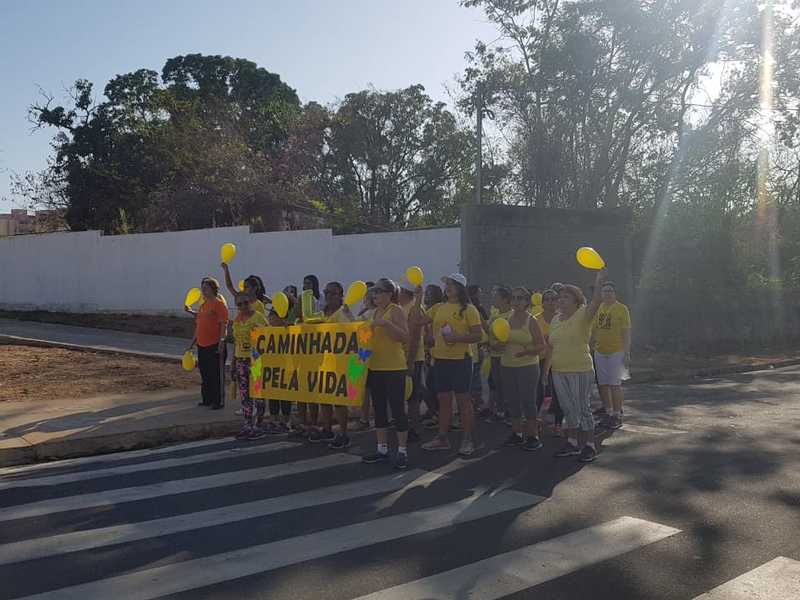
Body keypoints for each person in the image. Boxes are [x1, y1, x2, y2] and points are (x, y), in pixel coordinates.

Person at [419, 274, 483, 456]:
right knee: (444, 400)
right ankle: (442, 438)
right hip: (440, 360)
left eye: (452, 284)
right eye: (446, 284)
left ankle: (468, 439)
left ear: (460, 288)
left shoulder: (469, 309)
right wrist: (418, 298)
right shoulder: (438, 307)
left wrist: (457, 338)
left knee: (463, 401)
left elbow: (478, 335)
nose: (447, 287)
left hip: (461, 360)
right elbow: (417, 321)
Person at [548, 271, 606, 463]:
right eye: (560, 297)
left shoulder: (583, 315)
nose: (561, 300)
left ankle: (589, 445)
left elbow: (596, 302)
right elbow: (551, 345)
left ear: (576, 301)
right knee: (567, 408)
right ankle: (572, 442)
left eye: (566, 297)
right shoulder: (555, 319)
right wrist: (545, 371)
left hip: (580, 369)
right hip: (558, 370)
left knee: (582, 408)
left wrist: (598, 282)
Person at [361, 278, 411, 468]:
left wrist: (387, 324)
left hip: (394, 367)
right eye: (374, 292)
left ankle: (402, 451)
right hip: (376, 367)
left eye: (379, 292)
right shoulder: (375, 313)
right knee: (379, 408)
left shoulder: (395, 310)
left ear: (390, 294)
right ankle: (382, 448)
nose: (375, 295)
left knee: (397, 409)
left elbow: (405, 336)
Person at [495, 287, 546, 450]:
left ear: (526, 302)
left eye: (520, 298)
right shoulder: (504, 319)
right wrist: (497, 345)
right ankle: (516, 433)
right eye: (514, 298)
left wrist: (526, 351)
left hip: (527, 366)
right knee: (512, 400)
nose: (516, 301)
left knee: (528, 400)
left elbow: (541, 346)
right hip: (507, 365)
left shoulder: (531, 320)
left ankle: (533, 435)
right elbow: (496, 343)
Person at [309, 281, 355, 448]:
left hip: (340, 362)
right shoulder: (322, 313)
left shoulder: (344, 313)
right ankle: (327, 429)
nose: (328, 296)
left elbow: (351, 334)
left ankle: (343, 433)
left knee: (338, 400)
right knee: (324, 398)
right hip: (323, 361)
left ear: (340, 295)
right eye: (326, 293)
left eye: (333, 293)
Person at [592, 281, 631, 430]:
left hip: (616, 351)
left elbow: (626, 332)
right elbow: (594, 328)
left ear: (615, 293)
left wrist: (626, 353)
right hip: (600, 351)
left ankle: (617, 414)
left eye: (610, 291)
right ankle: (607, 411)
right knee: (602, 384)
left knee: (615, 384)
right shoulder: (599, 308)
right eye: (604, 291)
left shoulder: (622, 309)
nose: (607, 294)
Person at [186, 277, 229, 410]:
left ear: (213, 289)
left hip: (215, 344)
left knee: (215, 374)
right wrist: (192, 342)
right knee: (205, 374)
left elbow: (224, 323)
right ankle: (207, 399)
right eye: (202, 288)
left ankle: (218, 401)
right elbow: (199, 325)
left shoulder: (218, 304)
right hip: (202, 345)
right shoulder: (203, 306)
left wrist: (222, 341)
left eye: (206, 288)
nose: (203, 291)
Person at [231, 293, 269, 439]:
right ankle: (247, 424)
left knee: (258, 394)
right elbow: (236, 342)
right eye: (239, 304)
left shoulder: (259, 317)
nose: (243, 307)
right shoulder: (237, 320)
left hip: (256, 360)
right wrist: (233, 362)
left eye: (245, 303)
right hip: (241, 360)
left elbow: (269, 336)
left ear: (250, 302)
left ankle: (259, 425)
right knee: (245, 395)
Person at [537, 289, 564, 435]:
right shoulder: (535, 319)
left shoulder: (563, 319)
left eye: (553, 299)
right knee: (540, 393)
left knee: (558, 393)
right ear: (542, 303)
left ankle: (558, 424)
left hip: (558, 360)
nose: (550, 302)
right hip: (540, 360)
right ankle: (538, 421)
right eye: (547, 299)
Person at [485, 286, 513, 424]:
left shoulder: (511, 316)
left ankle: (510, 412)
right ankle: (500, 410)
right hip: (494, 355)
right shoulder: (494, 315)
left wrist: (499, 344)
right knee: (497, 384)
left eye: (496, 296)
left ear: (505, 299)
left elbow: (510, 337)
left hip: (507, 356)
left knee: (508, 385)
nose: (493, 299)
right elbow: (487, 331)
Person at [420, 284, 444, 429]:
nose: (427, 295)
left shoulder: (438, 309)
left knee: (432, 386)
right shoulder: (426, 309)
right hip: (427, 352)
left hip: (434, 352)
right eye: (426, 293)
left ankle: (438, 414)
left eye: (430, 293)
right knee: (429, 385)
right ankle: (433, 411)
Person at [266, 308, 293, 433]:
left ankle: (286, 421)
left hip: (286, 368)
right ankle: (273, 420)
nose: (270, 318)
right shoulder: (266, 331)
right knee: (273, 395)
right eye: (270, 316)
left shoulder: (288, 330)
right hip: (272, 369)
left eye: (273, 316)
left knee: (285, 396)